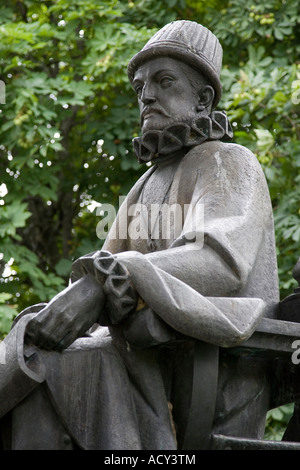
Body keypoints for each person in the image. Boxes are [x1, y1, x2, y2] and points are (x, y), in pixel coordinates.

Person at [0, 20, 279, 450]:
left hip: (207, 375)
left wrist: (106, 280)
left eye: (164, 82)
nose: (146, 95)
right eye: (140, 87)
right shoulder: (145, 185)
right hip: (147, 362)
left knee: (54, 370)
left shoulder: (228, 161)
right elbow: (95, 282)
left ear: (203, 99)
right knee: (29, 354)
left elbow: (219, 262)